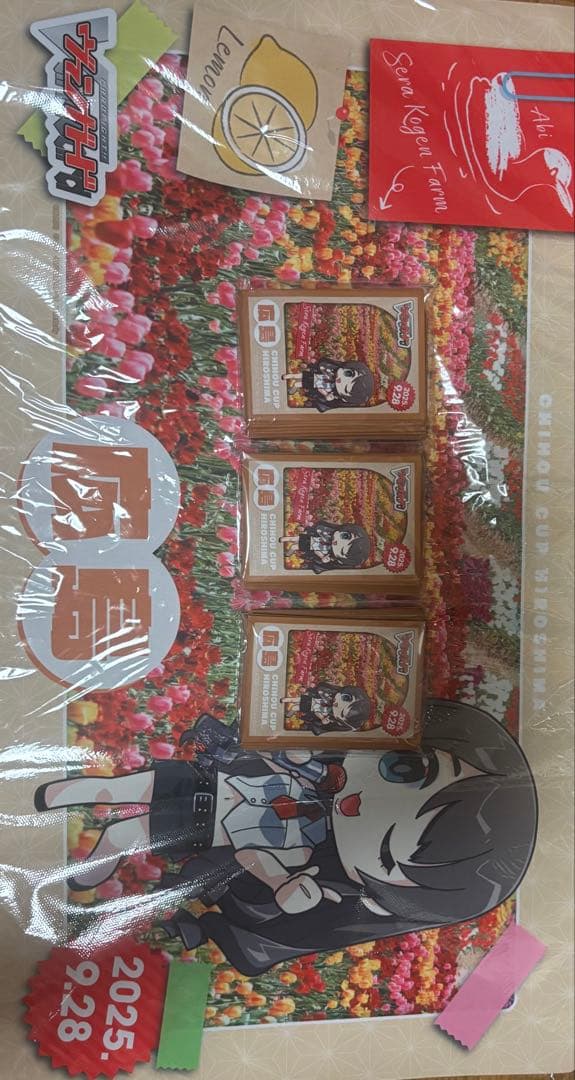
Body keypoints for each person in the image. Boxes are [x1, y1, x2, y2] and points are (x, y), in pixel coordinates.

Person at [33, 700, 538, 977]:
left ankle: (107, 849)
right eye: (402, 770)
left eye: (385, 852)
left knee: (141, 828)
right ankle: (86, 790)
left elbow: (253, 855)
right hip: (224, 782)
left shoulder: (305, 855)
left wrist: (279, 883)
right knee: (145, 784)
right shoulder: (322, 771)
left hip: (214, 825)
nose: (361, 805)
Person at [279, 521, 371, 574]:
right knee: (295, 538)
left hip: (311, 545)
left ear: (341, 560)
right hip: (311, 539)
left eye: (342, 550)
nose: (338, 542)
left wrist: (323, 558)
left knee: (295, 546)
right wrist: (306, 529)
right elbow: (317, 530)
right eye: (345, 536)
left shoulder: (327, 552)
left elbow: (317, 552)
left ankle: (287, 554)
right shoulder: (328, 534)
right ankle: (283, 541)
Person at [280, 682, 371, 735]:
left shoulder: (328, 715)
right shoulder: (329, 694)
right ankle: (286, 701)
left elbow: (317, 714)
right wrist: (309, 691)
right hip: (312, 701)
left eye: (342, 712)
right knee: (297, 700)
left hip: (312, 707)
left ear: (341, 721)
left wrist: (322, 719)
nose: (338, 703)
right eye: (346, 698)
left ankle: (288, 714)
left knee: (296, 707)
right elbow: (318, 691)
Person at [282, 359, 375, 411]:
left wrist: (326, 395)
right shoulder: (332, 372)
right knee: (303, 375)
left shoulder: (332, 392)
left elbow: (323, 394)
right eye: (348, 373)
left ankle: (295, 385)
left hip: (318, 384)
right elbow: (323, 367)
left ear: (344, 399)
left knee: (304, 383)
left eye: (346, 388)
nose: (341, 380)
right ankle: (290, 376)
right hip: (318, 376)